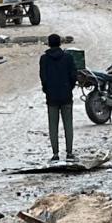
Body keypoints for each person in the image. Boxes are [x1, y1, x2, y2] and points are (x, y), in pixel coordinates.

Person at [39, 33, 77, 162]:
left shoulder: (44, 59)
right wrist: (68, 88)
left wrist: (47, 90)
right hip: (66, 95)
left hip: (52, 97)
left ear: (49, 44)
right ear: (60, 43)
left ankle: (55, 154)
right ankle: (69, 153)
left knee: (53, 126)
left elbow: (43, 78)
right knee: (68, 125)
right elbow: (73, 76)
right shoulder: (68, 58)